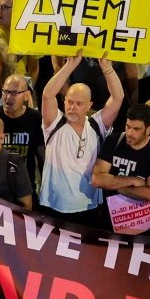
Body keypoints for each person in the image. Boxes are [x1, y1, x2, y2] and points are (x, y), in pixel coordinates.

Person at [39, 54, 124, 222]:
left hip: (89, 207)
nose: (72, 107)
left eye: (79, 104)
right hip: (54, 206)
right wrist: (70, 65)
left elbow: (117, 98)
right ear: (64, 102)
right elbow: (47, 95)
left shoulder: (96, 125)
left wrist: (107, 69)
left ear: (89, 105)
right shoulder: (54, 124)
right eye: (69, 102)